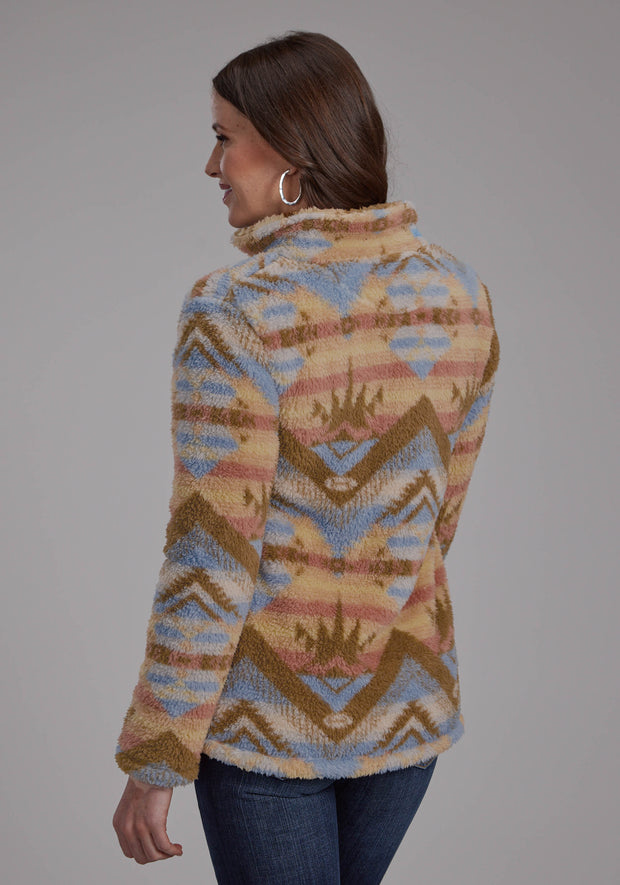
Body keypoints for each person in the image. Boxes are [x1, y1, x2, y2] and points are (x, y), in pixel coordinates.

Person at [112, 30, 500, 884]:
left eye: (224, 137)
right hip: (404, 716)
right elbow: (435, 521)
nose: (212, 166)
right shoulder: (459, 295)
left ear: (290, 147)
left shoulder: (237, 310)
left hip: (268, 734)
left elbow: (212, 554)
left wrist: (157, 754)